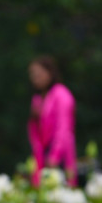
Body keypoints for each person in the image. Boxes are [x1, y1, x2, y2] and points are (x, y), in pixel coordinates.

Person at [27, 56, 76, 186]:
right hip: (41, 156)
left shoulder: (61, 94)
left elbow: (64, 127)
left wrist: (55, 155)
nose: (35, 78)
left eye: (39, 74)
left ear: (50, 73)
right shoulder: (37, 99)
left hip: (59, 155)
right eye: (32, 75)